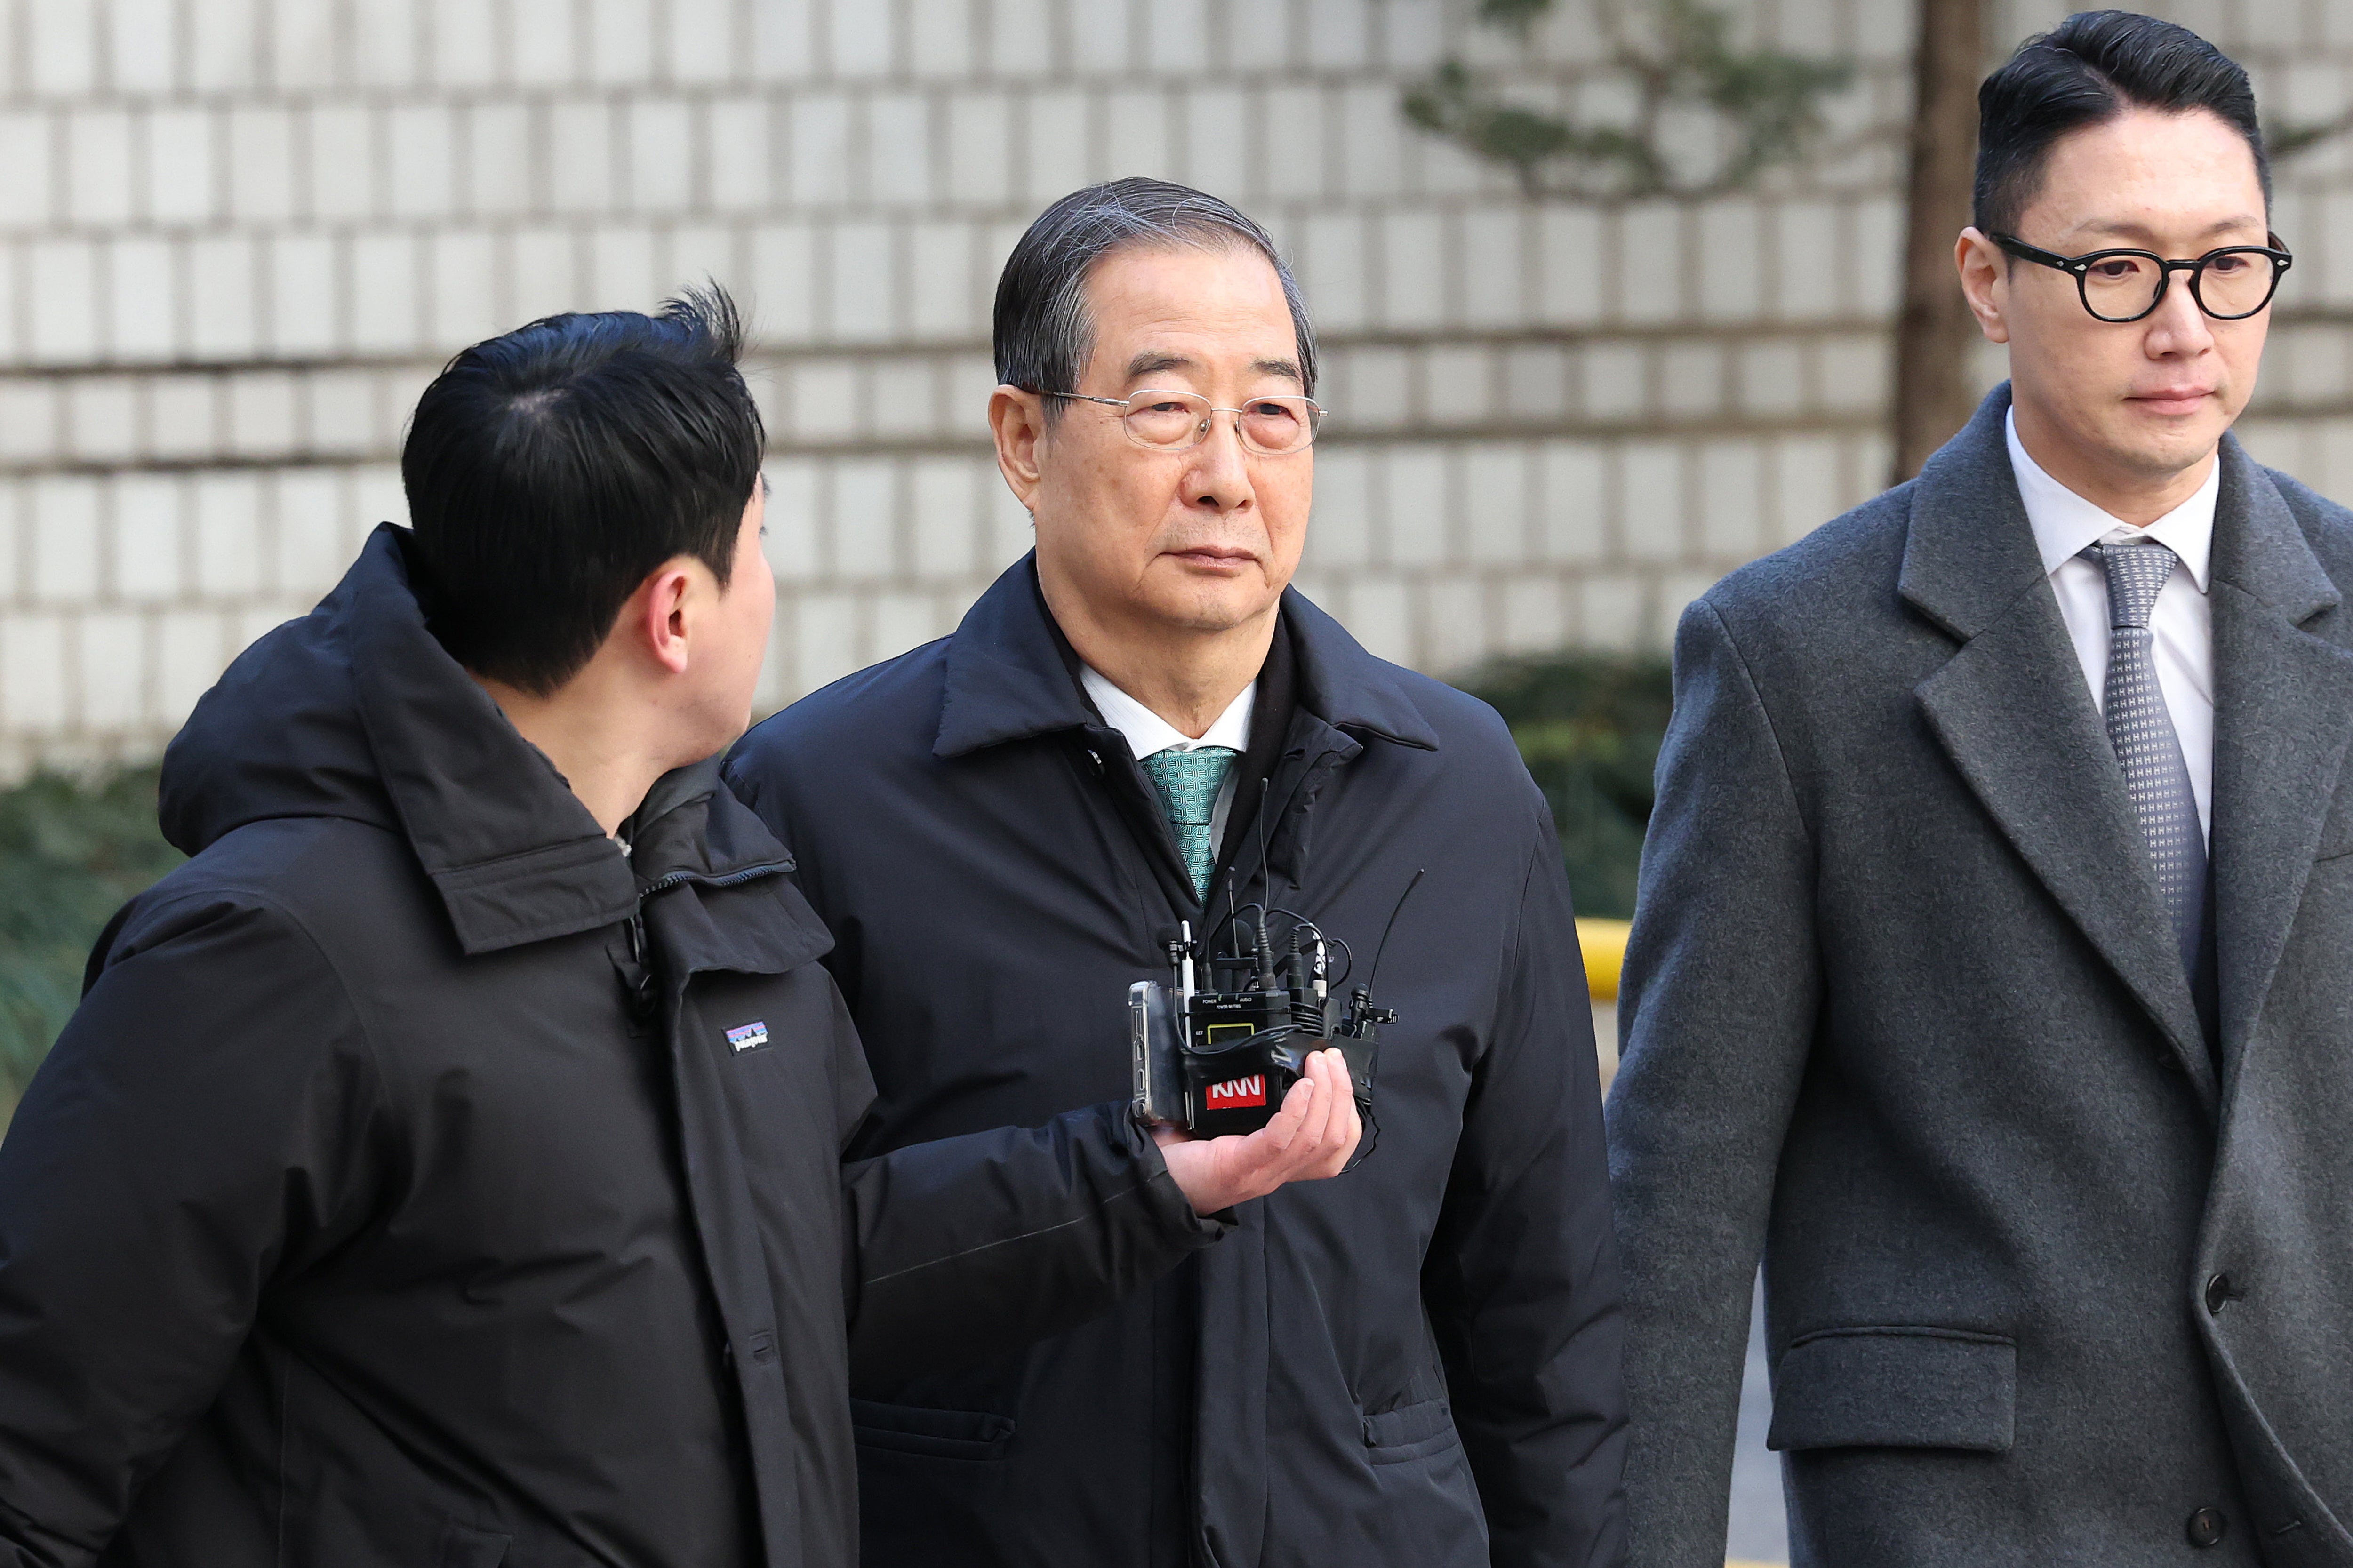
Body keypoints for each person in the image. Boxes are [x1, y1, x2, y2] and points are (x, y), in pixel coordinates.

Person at [0, 289, 1361, 1568]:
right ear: (674, 613)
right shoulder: (271, 955)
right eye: (759, 541)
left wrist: (1153, 1177)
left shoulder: (714, 878)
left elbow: (801, 1268)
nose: (771, 583)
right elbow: (33, 1451)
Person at [724, 179, 1625, 1568]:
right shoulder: (823, 796)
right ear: (1022, 439)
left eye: (1272, 411)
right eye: (1163, 408)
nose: (1227, 471)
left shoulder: (1457, 786)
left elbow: (1547, 1312)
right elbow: (767, 1271)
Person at [1609, 12, 2353, 1564]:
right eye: (2115, 269)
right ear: (1987, 281)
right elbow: (1678, 1202)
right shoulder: (1788, 658)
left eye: (2230, 266)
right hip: (1968, 1515)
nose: (2183, 327)